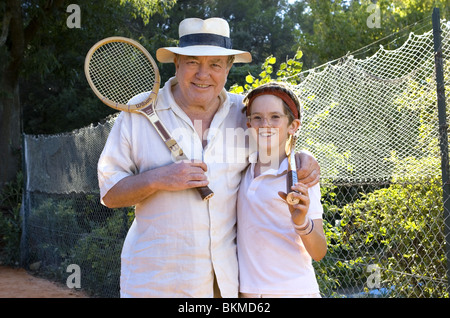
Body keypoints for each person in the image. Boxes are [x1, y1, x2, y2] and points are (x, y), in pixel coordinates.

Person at [97, 17, 321, 298]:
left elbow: (278, 141)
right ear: (177, 63)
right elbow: (110, 194)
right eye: (192, 62)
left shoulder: (244, 113)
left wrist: (303, 155)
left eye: (215, 64)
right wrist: (158, 178)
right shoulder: (138, 113)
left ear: (228, 68)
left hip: (224, 286)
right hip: (155, 284)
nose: (203, 74)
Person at [237, 82, 327, 298]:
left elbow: (319, 252)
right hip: (249, 294)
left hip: (294, 291)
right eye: (257, 117)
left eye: (275, 117)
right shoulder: (242, 170)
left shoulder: (301, 177)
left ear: (293, 126)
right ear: (249, 124)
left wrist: (301, 223)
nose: (265, 124)